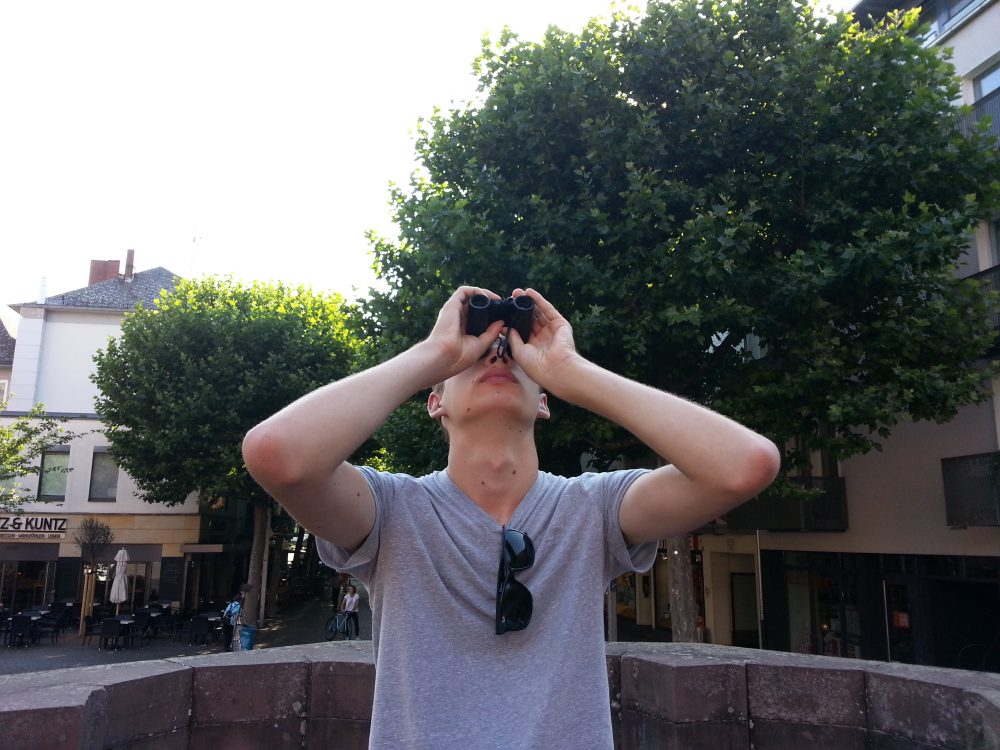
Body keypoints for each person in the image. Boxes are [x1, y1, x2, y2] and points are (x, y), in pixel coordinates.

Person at [242, 286, 780, 749]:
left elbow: (745, 466)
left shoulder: (592, 508)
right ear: (434, 402)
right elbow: (276, 455)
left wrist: (572, 371)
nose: (496, 357)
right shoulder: (391, 510)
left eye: (513, 355)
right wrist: (433, 353)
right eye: (475, 356)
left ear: (545, 403)